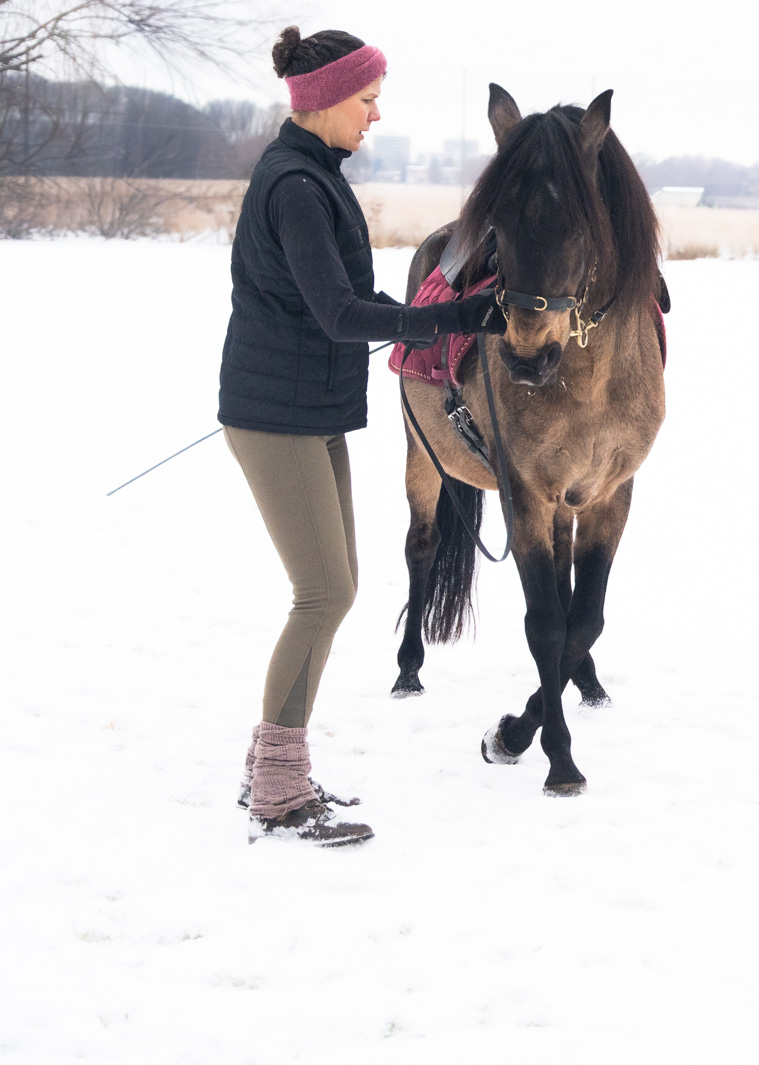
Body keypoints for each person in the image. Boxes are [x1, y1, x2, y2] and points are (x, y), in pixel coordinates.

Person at [219, 26, 501, 846]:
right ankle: (276, 786)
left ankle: (274, 768)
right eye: (368, 101)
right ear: (324, 100)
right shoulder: (296, 187)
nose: (375, 116)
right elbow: (340, 314)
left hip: (307, 411)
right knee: (325, 593)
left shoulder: (317, 176)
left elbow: (344, 294)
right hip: (275, 418)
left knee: (333, 586)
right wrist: (446, 316)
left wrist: (434, 301)